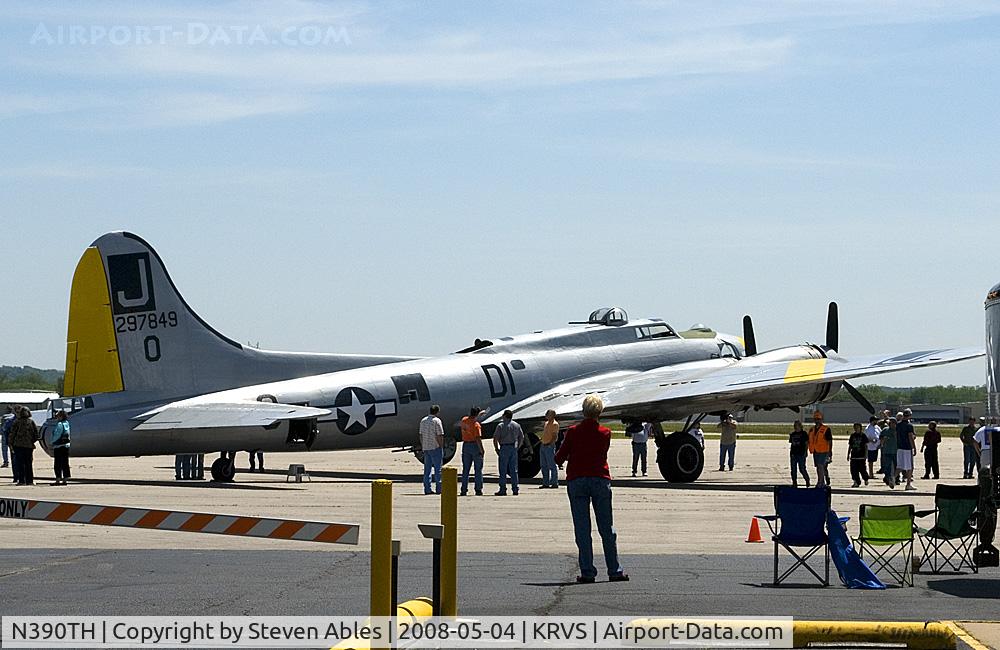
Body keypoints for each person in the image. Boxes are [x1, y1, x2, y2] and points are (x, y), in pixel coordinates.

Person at [554, 394, 628, 584]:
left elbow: (559, 458)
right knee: (606, 528)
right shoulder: (605, 432)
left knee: (582, 528)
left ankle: (588, 571)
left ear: (583, 411)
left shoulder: (572, 431)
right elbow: (601, 453)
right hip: (599, 479)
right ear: (600, 412)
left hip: (577, 480)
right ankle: (614, 570)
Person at [493, 410, 524, 496]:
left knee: (503, 470)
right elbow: (521, 437)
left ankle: (503, 489)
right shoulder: (516, 425)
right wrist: (518, 447)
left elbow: (495, 438)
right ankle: (515, 489)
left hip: (504, 447)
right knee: (514, 470)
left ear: (505, 416)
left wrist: (496, 448)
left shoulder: (501, 426)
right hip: (513, 448)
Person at [418, 405, 445, 495]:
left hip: (426, 448)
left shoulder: (423, 420)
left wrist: (423, 445)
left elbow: (421, 435)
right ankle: (439, 488)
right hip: (435, 447)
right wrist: (441, 446)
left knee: (427, 470)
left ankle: (427, 489)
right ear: (437, 412)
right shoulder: (437, 421)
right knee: (438, 470)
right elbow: (439, 435)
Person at [9, 406, 39, 486]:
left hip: (18, 446)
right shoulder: (31, 422)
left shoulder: (17, 422)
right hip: (28, 446)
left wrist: (11, 444)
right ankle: (29, 481)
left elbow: (12, 434)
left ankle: (22, 480)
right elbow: (36, 434)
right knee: (28, 464)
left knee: (20, 464)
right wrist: (32, 441)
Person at [460, 407, 485, 495]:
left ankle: (463, 489)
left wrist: (478, 416)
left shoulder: (463, 420)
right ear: (477, 415)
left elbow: (469, 420)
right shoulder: (476, 425)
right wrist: (482, 450)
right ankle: (478, 489)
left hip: (466, 445)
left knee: (465, 469)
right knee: (478, 469)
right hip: (474, 445)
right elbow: (478, 438)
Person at [808, 411, 833, 488]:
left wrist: (830, 452)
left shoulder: (826, 429)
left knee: (820, 466)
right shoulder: (811, 430)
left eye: (818, 419)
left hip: (824, 451)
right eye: (816, 419)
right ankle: (822, 481)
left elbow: (830, 441)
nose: (817, 420)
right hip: (815, 451)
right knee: (819, 467)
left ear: (821, 420)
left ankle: (820, 482)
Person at [896, 410, 917, 491]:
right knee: (910, 467)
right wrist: (914, 448)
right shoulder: (909, 425)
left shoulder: (898, 425)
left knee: (900, 466)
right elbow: (910, 437)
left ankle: (893, 478)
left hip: (899, 447)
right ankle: (908, 484)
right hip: (907, 448)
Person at [49, 410, 71, 485]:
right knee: (65, 462)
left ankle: (58, 479)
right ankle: (65, 479)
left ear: (61, 416)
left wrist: (52, 442)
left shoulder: (59, 424)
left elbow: (57, 435)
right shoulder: (67, 423)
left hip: (59, 446)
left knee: (57, 463)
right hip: (66, 445)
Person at [539, 409, 559, 488]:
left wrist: (550, 444)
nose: (546, 415)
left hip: (549, 446)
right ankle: (545, 482)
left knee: (552, 465)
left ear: (553, 415)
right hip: (543, 445)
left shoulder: (555, 424)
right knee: (543, 466)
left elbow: (554, 436)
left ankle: (554, 482)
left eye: (548, 414)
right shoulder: (546, 423)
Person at [788, 420, 810, 487]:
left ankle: (807, 480)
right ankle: (794, 482)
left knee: (802, 468)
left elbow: (806, 443)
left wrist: (806, 452)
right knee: (793, 469)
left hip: (801, 454)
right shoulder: (793, 434)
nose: (796, 427)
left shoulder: (804, 434)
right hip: (793, 454)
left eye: (797, 425)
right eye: (795, 425)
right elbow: (792, 444)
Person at [847, 422, 869, 487]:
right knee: (853, 470)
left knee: (862, 470)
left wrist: (866, 455)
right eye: (855, 427)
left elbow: (866, 446)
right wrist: (848, 455)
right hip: (854, 456)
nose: (856, 429)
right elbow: (850, 446)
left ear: (860, 428)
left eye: (858, 427)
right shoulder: (852, 436)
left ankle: (866, 478)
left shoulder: (863, 436)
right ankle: (856, 482)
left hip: (861, 456)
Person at [880, 418, 899, 488]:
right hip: (887, 451)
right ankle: (887, 478)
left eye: (894, 423)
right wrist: (882, 442)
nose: (893, 425)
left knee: (897, 465)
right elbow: (881, 438)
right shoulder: (885, 430)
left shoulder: (898, 431)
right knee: (887, 465)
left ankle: (896, 478)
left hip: (896, 451)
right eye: (891, 423)